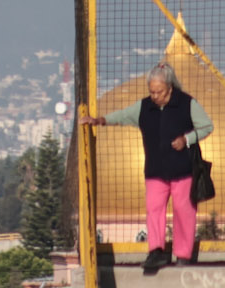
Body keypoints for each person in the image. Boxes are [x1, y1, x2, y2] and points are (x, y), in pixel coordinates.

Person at [89, 66, 213, 272]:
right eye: (152, 91)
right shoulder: (144, 107)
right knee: (154, 210)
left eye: (159, 92)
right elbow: (123, 115)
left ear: (170, 88)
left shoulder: (187, 104)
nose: (155, 96)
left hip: (183, 170)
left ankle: (183, 254)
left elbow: (207, 126)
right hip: (155, 171)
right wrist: (100, 121)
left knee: (184, 211)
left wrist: (187, 139)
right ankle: (156, 251)